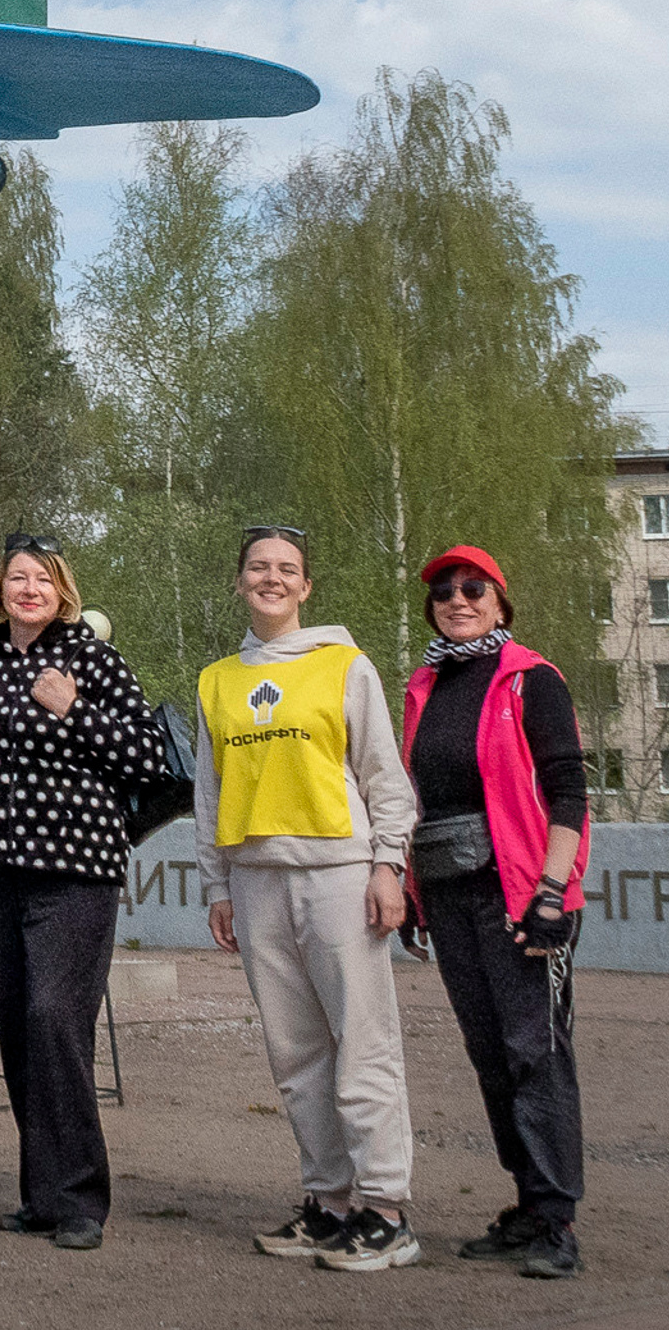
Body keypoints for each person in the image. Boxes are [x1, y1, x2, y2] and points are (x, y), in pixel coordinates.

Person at [0, 535, 160, 1251]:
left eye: (43, 579)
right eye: (17, 578)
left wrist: (75, 710)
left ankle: (82, 1198)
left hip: (74, 871)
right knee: (22, 1027)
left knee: (58, 1019)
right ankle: (42, 1195)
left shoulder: (90, 658)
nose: (29, 589)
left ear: (62, 590)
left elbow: (148, 754)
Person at [198, 526, 420, 1270]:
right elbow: (210, 794)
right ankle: (331, 1204)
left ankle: (386, 1210)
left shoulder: (344, 667)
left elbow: (384, 777)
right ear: (239, 582)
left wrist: (388, 865)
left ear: (306, 587)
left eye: (286, 569)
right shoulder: (218, 680)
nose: (271, 578)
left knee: (363, 1041)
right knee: (295, 1052)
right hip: (257, 879)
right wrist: (217, 884)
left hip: (338, 874)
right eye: (258, 567)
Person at [401, 544, 589, 1280]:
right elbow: (423, 800)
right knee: (490, 1055)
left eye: (473, 587)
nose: (457, 599)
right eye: (444, 591)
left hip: (519, 893)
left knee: (535, 1052)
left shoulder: (530, 679)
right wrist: (416, 892)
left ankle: (557, 1220)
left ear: (500, 601)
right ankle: (526, 1203)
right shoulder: (427, 685)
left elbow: (568, 791)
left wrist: (551, 894)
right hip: (449, 890)